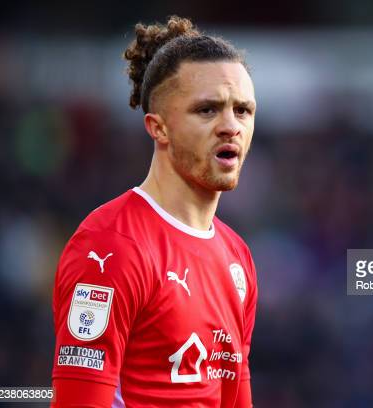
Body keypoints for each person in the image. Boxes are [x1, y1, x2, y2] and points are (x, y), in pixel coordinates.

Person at [51, 15, 258, 407]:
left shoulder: (237, 258)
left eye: (243, 110)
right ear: (158, 128)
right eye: (207, 110)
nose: (231, 126)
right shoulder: (111, 247)